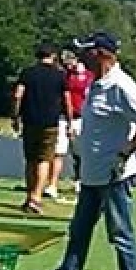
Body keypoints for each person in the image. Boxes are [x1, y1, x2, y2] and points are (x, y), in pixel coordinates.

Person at [31, 31, 136, 270]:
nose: (81, 56)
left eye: (87, 51)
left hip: (114, 175)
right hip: (92, 175)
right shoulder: (96, 84)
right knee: (79, 231)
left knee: (120, 234)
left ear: (101, 53)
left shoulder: (121, 86)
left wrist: (125, 152)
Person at [10, 43, 69, 213]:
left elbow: (17, 95)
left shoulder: (28, 73)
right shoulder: (60, 75)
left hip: (30, 121)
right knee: (44, 159)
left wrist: (15, 116)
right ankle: (36, 197)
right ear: (53, 56)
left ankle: (29, 196)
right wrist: (70, 120)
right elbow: (67, 99)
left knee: (30, 159)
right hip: (50, 122)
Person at [61, 48, 94, 188]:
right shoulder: (65, 76)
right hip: (66, 116)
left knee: (80, 151)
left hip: (81, 116)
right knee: (66, 151)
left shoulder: (88, 76)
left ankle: (80, 179)